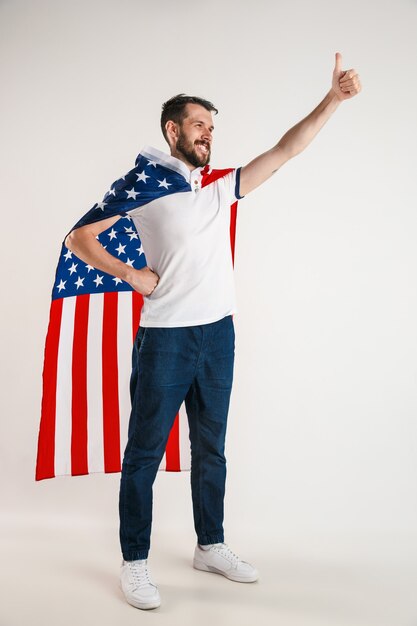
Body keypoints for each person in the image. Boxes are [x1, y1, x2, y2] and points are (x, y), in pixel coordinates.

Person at [64, 52, 361, 610]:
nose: (208, 135)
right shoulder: (143, 185)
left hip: (217, 335)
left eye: (213, 128)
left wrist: (333, 100)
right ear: (172, 129)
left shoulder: (216, 186)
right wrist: (131, 275)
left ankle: (211, 544)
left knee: (212, 449)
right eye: (199, 125)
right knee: (145, 453)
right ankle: (134, 563)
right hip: (167, 339)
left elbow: (285, 149)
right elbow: (79, 238)